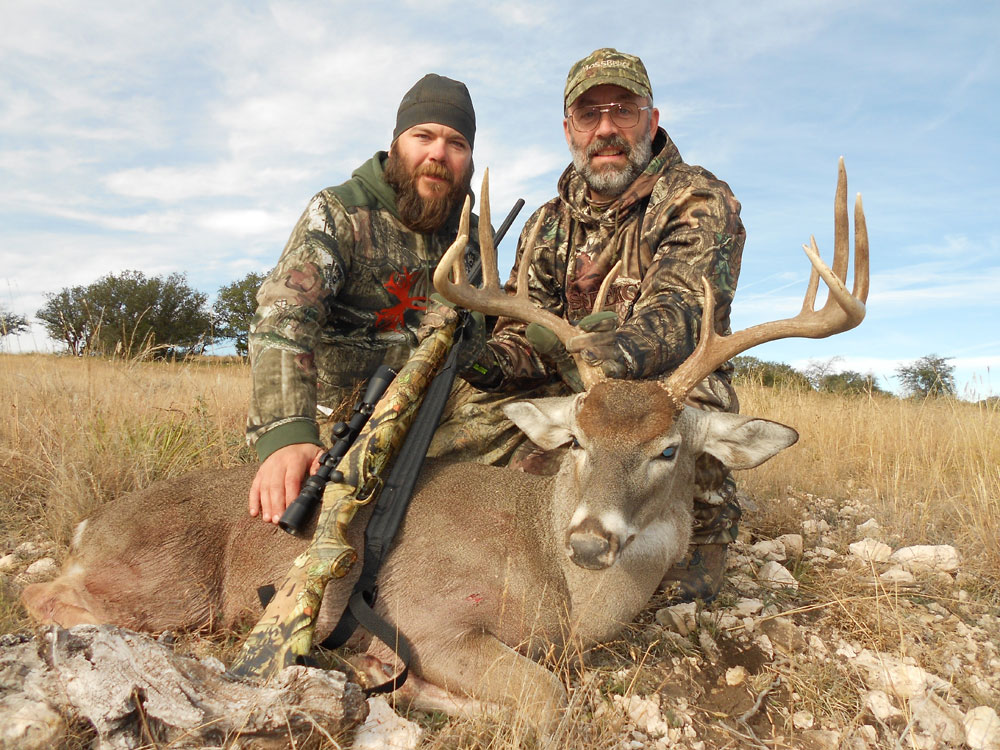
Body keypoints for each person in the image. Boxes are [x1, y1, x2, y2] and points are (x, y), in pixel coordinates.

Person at [453, 48, 747, 603]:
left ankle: (702, 539)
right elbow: (523, 341)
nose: (606, 128)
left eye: (623, 111)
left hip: (661, 387)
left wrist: (592, 354)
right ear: (570, 130)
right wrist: (484, 359)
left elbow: (679, 314)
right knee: (453, 427)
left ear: (651, 121)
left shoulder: (696, 199)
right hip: (580, 394)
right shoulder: (545, 224)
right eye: (590, 115)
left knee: (691, 417)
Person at [245, 73, 481, 526]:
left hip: (439, 420)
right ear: (396, 146)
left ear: (468, 159)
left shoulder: (472, 237)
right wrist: (287, 434)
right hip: (344, 421)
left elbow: (477, 348)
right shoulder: (339, 211)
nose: (438, 153)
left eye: (457, 143)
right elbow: (284, 317)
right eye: (423, 136)